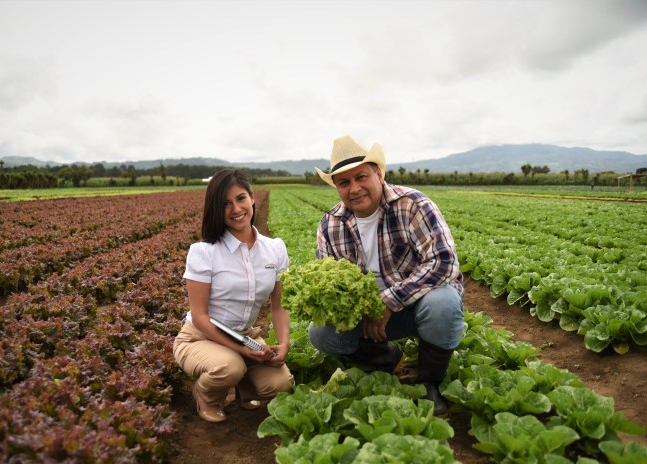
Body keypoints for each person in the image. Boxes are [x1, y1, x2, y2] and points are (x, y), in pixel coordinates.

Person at [309, 135, 465, 416]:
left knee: (444, 302)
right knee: (321, 333)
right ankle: (387, 358)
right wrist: (350, 308)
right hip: (369, 317)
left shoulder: (412, 204)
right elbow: (329, 288)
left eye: (361, 177)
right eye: (344, 183)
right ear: (336, 187)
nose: (354, 189)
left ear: (378, 174)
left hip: (416, 308)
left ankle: (429, 382)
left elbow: (444, 262)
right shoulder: (330, 225)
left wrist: (389, 301)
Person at [173, 169, 294, 422]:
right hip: (200, 336)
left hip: (245, 336)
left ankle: (244, 388)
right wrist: (244, 351)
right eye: (225, 203)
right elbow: (200, 316)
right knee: (230, 367)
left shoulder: (274, 249)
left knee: (281, 383)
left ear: (252, 198)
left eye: (240, 198)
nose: (236, 208)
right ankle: (206, 395)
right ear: (216, 209)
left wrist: (283, 343)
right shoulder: (204, 252)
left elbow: (280, 306)